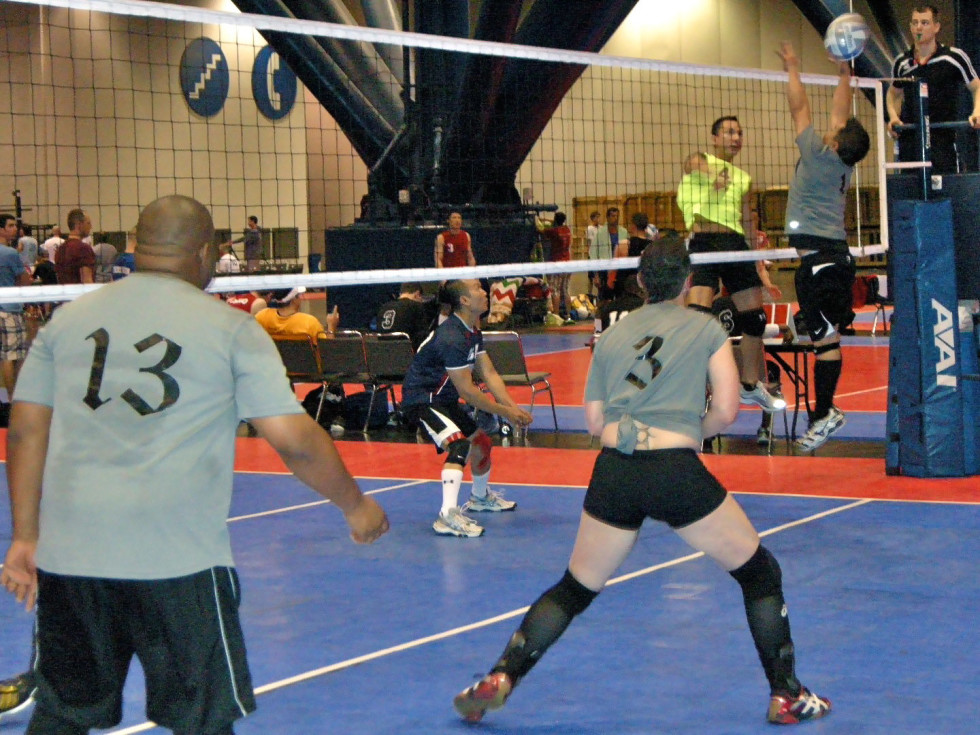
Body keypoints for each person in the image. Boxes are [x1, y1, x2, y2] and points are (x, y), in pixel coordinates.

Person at [0, 194, 388, 735]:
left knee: (63, 715)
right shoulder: (230, 329)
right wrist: (357, 505)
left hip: (71, 560)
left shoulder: (69, 321)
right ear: (204, 253)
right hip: (178, 563)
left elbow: (23, 430)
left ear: (135, 245)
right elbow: (296, 440)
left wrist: (24, 537)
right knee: (203, 722)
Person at [452, 237, 831, 726]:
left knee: (574, 588)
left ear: (640, 282)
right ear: (690, 282)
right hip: (674, 468)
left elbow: (593, 420)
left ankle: (503, 674)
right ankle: (787, 694)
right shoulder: (707, 327)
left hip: (615, 469)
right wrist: (692, 430)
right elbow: (729, 409)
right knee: (759, 574)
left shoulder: (612, 334)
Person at [778, 42, 870, 451]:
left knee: (825, 342)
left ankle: (824, 413)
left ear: (833, 142)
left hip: (819, 264)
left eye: (835, 131)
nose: (832, 128)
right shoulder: (843, 161)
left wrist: (793, 67)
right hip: (833, 259)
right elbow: (839, 116)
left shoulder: (817, 157)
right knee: (825, 338)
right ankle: (823, 412)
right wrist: (844, 75)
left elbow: (801, 111)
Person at [401, 279, 532, 537]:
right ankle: (447, 516)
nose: (485, 292)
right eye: (477, 290)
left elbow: (489, 374)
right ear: (463, 301)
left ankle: (480, 498)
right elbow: (468, 392)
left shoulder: (472, 331)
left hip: (443, 400)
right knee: (460, 445)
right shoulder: (452, 337)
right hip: (422, 400)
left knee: (481, 442)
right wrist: (506, 414)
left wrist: (513, 407)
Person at [677, 117, 785, 414]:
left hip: (736, 245)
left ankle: (749, 385)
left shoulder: (744, 179)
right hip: (705, 243)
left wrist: (759, 264)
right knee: (698, 317)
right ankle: (693, 387)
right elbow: (691, 162)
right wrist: (715, 174)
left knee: (755, 320)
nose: (735, 137)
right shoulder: (700, 161)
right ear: (714, 138)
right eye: (728, 132)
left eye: (739, 132)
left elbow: (749, 223)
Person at [887, 4, 980, 174]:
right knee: (910, 194)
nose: (919, 27)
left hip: (942, 141)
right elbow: (893, 93)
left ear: (936, 27)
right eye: (915, 23)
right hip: (910, 142)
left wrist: (977, 111)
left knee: (946, 193)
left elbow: (976, 86)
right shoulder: (901, 62)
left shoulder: (953, 57)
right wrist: (893, 117)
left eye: (925, 22)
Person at [0, 214, 33, 403]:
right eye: (10, 225)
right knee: (12, 356)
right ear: (1, 229)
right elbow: (24, 281)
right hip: (10, 309)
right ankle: (14, 399)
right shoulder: (10, 254)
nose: (15, 229)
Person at [375, 281, 434, 350]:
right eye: (421, 298)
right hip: (406, 355)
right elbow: (423, 339)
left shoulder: (384, 307)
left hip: (382, 353)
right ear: (417, 294)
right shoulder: (415, 306)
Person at [536, 212, 572, 321]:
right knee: (565, 290)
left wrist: (537, 219)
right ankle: (569, 315)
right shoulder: (567, 230)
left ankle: (556, 316)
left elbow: (540, 230)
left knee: (555, 290)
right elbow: (557, 223)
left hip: (557, 263)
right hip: (568, 263)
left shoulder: (554, 232)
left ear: (555, 220)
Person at [588, 207, 627, 301]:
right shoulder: (600, 233)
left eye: (617, 216)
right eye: (613, 216)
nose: (616, 218)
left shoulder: (623, 232)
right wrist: (595, 275)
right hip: (604, 271)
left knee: (620, 298)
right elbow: (593, 254)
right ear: (608, 217)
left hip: (619, 270)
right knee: (604, 299)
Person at [54, 209, 95, 285]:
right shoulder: (83, 248)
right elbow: (87, 281)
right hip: (80, 295)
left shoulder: (60, 249)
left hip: (65, 294)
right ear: (79, 225)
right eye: (88, 223)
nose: (91, 227)